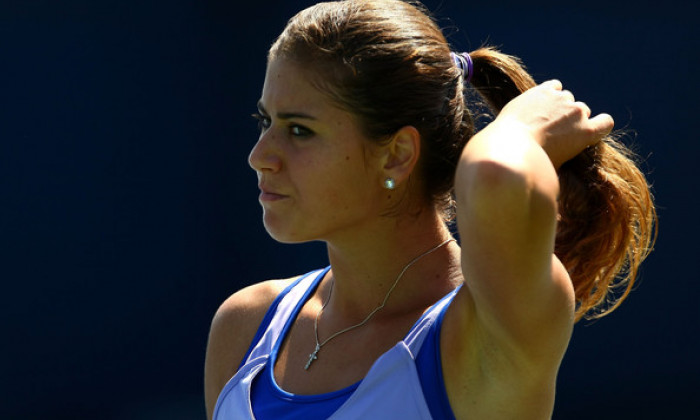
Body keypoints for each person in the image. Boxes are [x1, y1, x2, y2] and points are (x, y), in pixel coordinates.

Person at [204, 0, 657, 418]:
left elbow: (496, 175)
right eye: (266, 121)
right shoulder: (245, 325)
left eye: (299, 130)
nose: (260, 155)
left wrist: (521, 129)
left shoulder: (486, 328)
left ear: (397, 154)